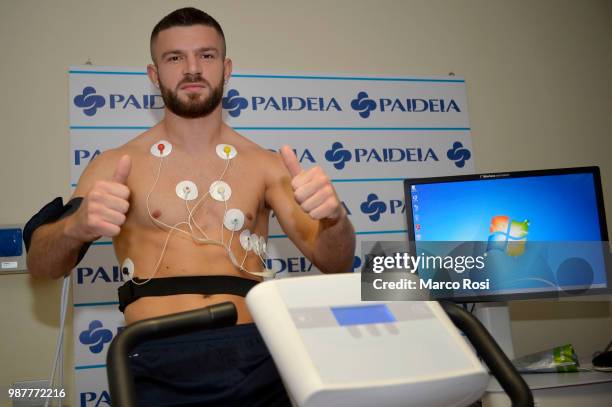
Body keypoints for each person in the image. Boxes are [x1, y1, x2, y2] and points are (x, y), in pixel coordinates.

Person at [25, 7, 355, 406]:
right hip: (155, 358)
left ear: (226, 67)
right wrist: (75, 226)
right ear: (154, 74)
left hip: (253, 358)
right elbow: (42, 267)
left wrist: (335, 219)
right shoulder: (115, 165)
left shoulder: (266, 166)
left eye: (207, 55)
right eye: (175, 58)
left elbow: (334, 261)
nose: (193, 68)